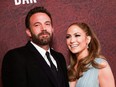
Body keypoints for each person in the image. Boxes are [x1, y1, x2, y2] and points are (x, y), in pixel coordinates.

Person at [2, 6, 69, 87]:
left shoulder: (59, 58)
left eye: (47, 24)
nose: (43, 28)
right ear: (29, 32)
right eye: (37, 25)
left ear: (52, 29)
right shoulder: (15, 57)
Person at [66, 22, 115, 87]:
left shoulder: (100, 64)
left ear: (88, 39)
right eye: (68, 37)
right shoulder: (68, 69)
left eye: (77, 35)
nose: (72, 40)